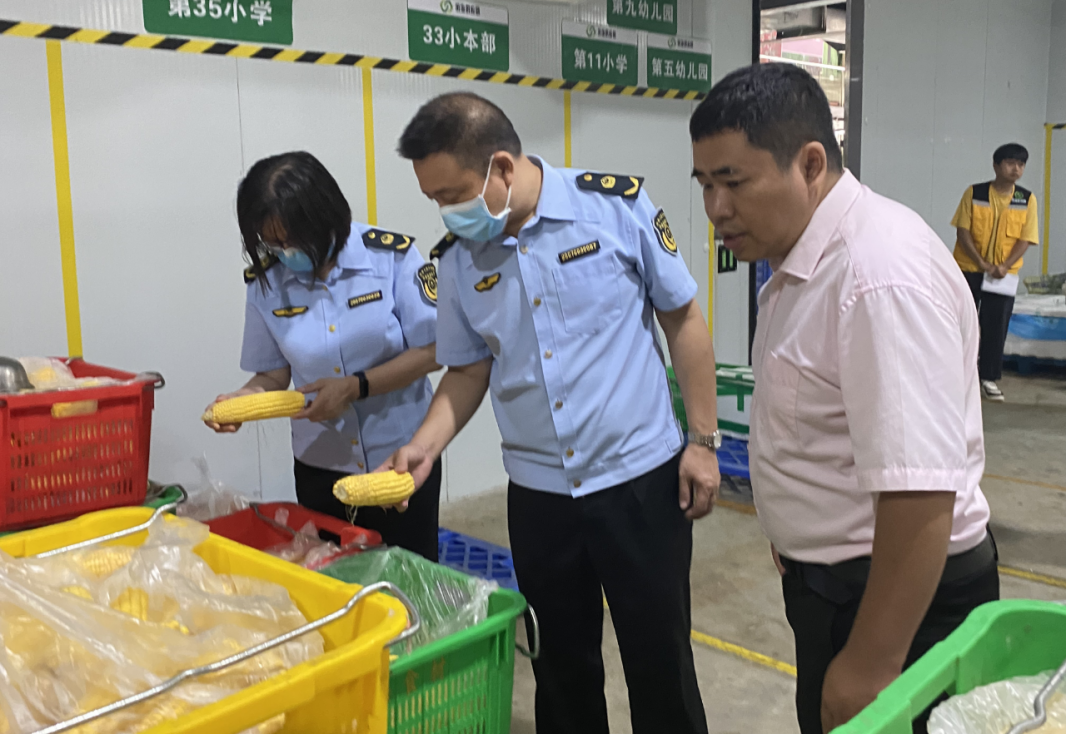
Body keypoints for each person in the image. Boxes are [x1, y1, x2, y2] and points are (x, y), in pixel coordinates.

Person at [383, 92, 720, 734]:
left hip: (639, 482)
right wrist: (425, 445)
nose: (446, 212)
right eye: (433, 200)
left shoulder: (615, 208)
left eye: (452, 194)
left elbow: (682, 318)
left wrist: (702, 441)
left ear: (502, 167)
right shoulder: (456, 261)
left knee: (660, 660)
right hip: (540, 498)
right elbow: (468, 369)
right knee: (560, 671)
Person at [691, 64, 998, 734]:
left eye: (734, 182)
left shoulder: (877, 275)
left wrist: (871, 661)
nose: (716, 208)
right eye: (705, 184)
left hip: (899, 608)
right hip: (839, 587)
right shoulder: (804, 259)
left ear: (809, 164)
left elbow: (921, 492)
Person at [206, 151, 443, 560]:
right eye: (273, 243)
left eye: (294, 240)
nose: (286, 253)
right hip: (321, 468)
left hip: (400, 459)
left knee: (411, 574)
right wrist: (244, 399)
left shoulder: (391, 258)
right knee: (332, 575)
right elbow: (272, 375)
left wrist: (356, 387)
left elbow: (436, 349)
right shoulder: (267, 283)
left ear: (325, 216)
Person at [950, 143, 1040, 402]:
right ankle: (956, 376)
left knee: (996, 326)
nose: (1016, 169)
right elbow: (963, 231)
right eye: (1010, 163)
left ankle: (988, 378)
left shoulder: (1026, 199)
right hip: (969, 269)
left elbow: (1026, 238)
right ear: (996, 165)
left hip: (1003, 275)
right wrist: (982, 263)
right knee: (961, 322)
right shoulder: (975, 193)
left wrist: (1003, 266)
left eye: (1021, 164)